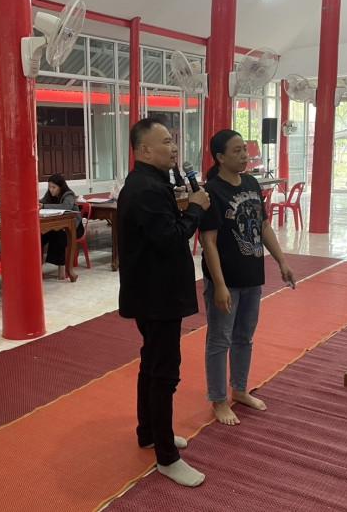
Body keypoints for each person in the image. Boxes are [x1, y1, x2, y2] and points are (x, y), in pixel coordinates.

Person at [118, 117, 210, 487]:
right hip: (157, 295)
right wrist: (195, 209)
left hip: (151, 291)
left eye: (173, 141)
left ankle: (149, 432)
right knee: (164, 372)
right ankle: (167, 459)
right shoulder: (145, 189)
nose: (174, 148)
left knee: (151, 363)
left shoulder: (151, 182)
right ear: (144, 150)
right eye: (167, 141)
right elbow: (172, 237)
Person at [199, 129, 295, 426]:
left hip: (252, 275)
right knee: (220, 339)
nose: (245, 156)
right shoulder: (211, 192)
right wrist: (219, 286)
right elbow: (208, 241)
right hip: (226, 279)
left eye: (245, 150)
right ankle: (218, 400)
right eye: (237, 151)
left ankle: (239, 390)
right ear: (220, 157)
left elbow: (263, 226)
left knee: (244, 337)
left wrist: (281, 261)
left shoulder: (252, 183)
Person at [38, 174, 84, 280]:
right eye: (49, 187)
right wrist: (37, 203)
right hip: (59, 226)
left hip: (74, 229)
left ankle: (62, 270)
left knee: (58, 236)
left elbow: (65, 207)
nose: (51, 190)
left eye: (54, 187)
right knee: (41, 236)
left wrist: (44, 206)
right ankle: (36, 268)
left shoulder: (68, 194)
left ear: (60, 187)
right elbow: (42, 202)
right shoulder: (49, 194)